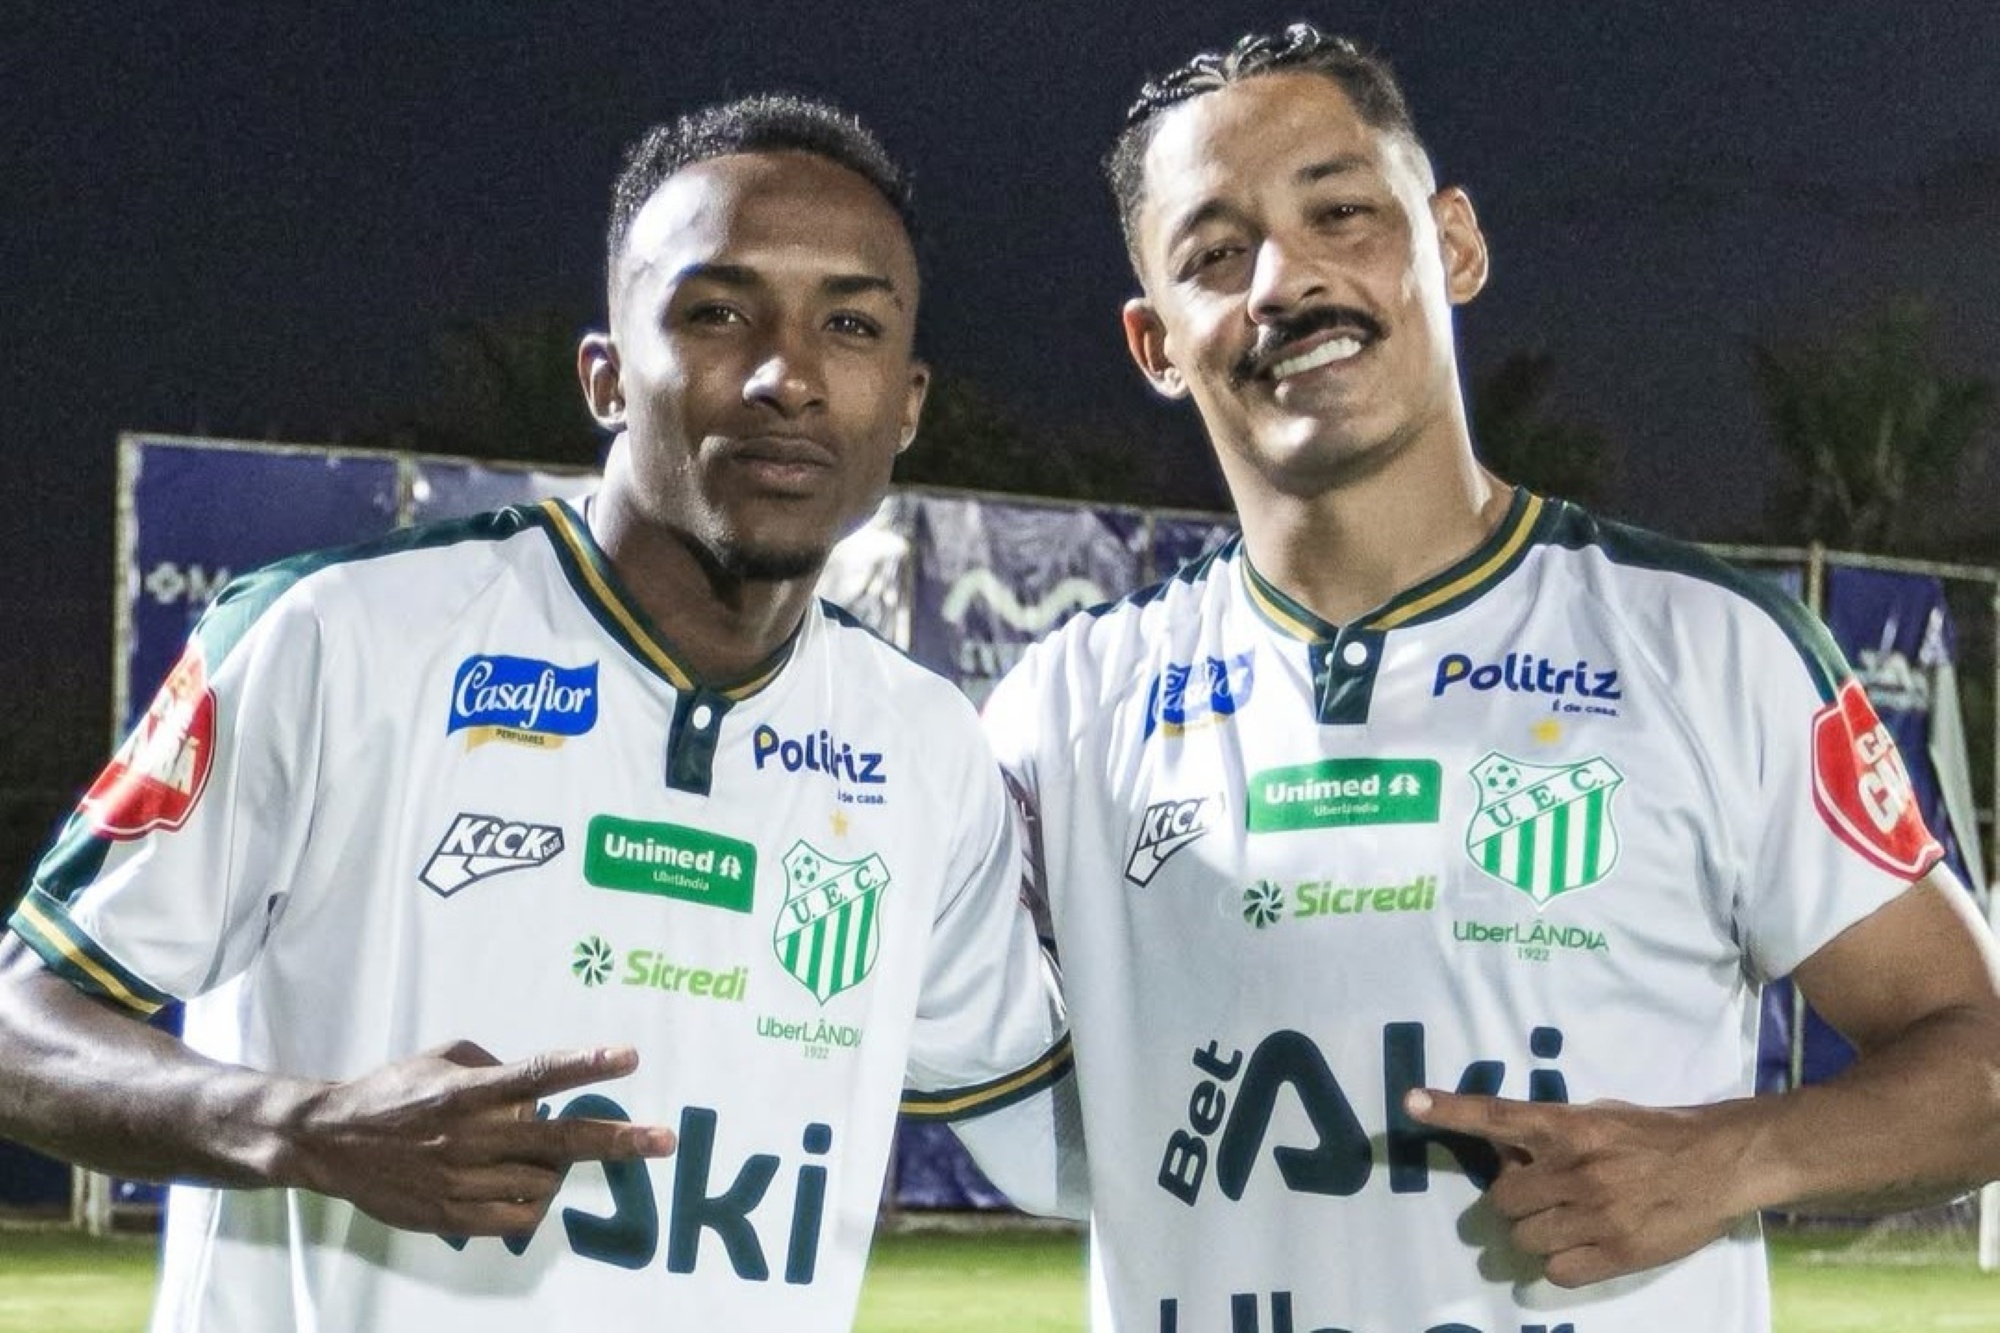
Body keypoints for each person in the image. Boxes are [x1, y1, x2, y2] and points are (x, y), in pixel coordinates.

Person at [978, 23, 2000, 1333]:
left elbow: (1977, 1058)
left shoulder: (1708, 649)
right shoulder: (1064, 713)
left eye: (1340, 213)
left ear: (1451, 243)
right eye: (1215, 254)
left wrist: (1732, 1157)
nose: (1285, 278)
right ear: (1156, 343)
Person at [0, 94, 1071, 1333]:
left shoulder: (924, 748)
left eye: (850, 325)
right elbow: (22, 1026)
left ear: (907, 401)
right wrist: (302, 1127)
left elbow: (1068, 1136)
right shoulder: (338, 638)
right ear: (605, 376)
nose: (786, 375)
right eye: (717, 314)